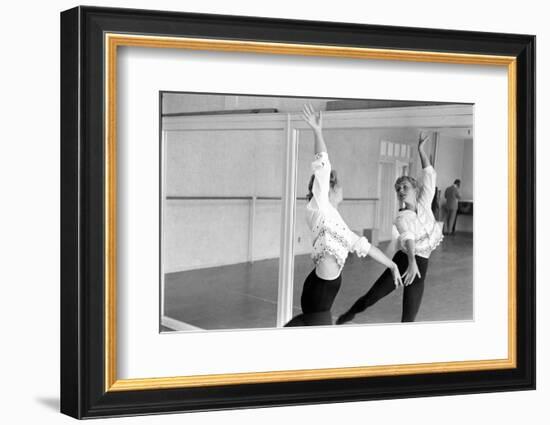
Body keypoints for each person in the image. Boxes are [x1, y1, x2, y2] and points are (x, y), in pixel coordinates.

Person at [285, 105, 402, 327]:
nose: (342, 188)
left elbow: (365, 247)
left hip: (321, 289)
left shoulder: (337, 222)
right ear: (330, 189)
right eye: (339, 185)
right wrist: (317, 131)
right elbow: (322, 166)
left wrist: (392, 265)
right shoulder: (320, 206)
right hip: (319, 290)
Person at [336, 132, 443, 324]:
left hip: (421, 266)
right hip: (405, 260)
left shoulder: (425, 203)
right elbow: (408, 238)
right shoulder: (401, 217)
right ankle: (350, 313)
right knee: (372, 297)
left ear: (415, 189)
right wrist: (411, 262)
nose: (400, 192)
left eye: (404, 187)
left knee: (409, 318)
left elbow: (429, 175)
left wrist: (421, 150)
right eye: (398, 189)